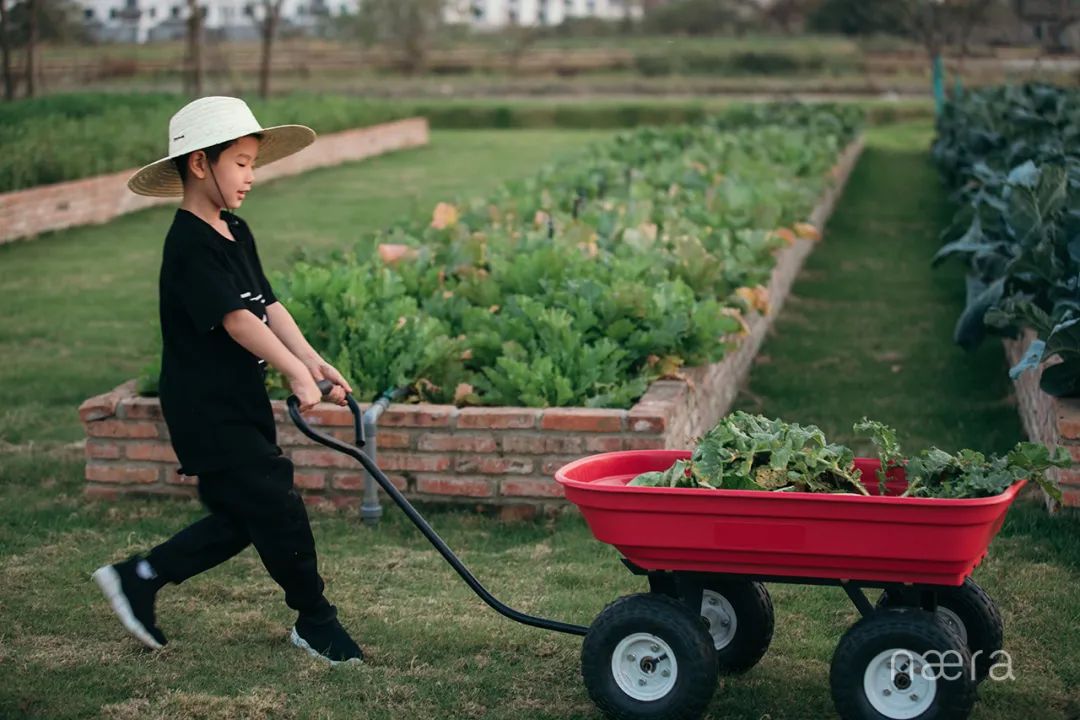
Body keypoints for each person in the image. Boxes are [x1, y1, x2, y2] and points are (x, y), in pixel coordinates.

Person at [92, 96, 362, 665]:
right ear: (199, 164)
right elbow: (238, 320)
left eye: (251, 163)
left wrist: (313, 363)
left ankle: (140, 577)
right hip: (204, 405)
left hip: (236, 398)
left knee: (247, 514)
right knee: (276, 504)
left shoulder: (233, 228)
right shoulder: (187, 243)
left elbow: (267, 304)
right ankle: (317, 621)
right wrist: (292, 374)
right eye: (240, 162)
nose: (250, 176)